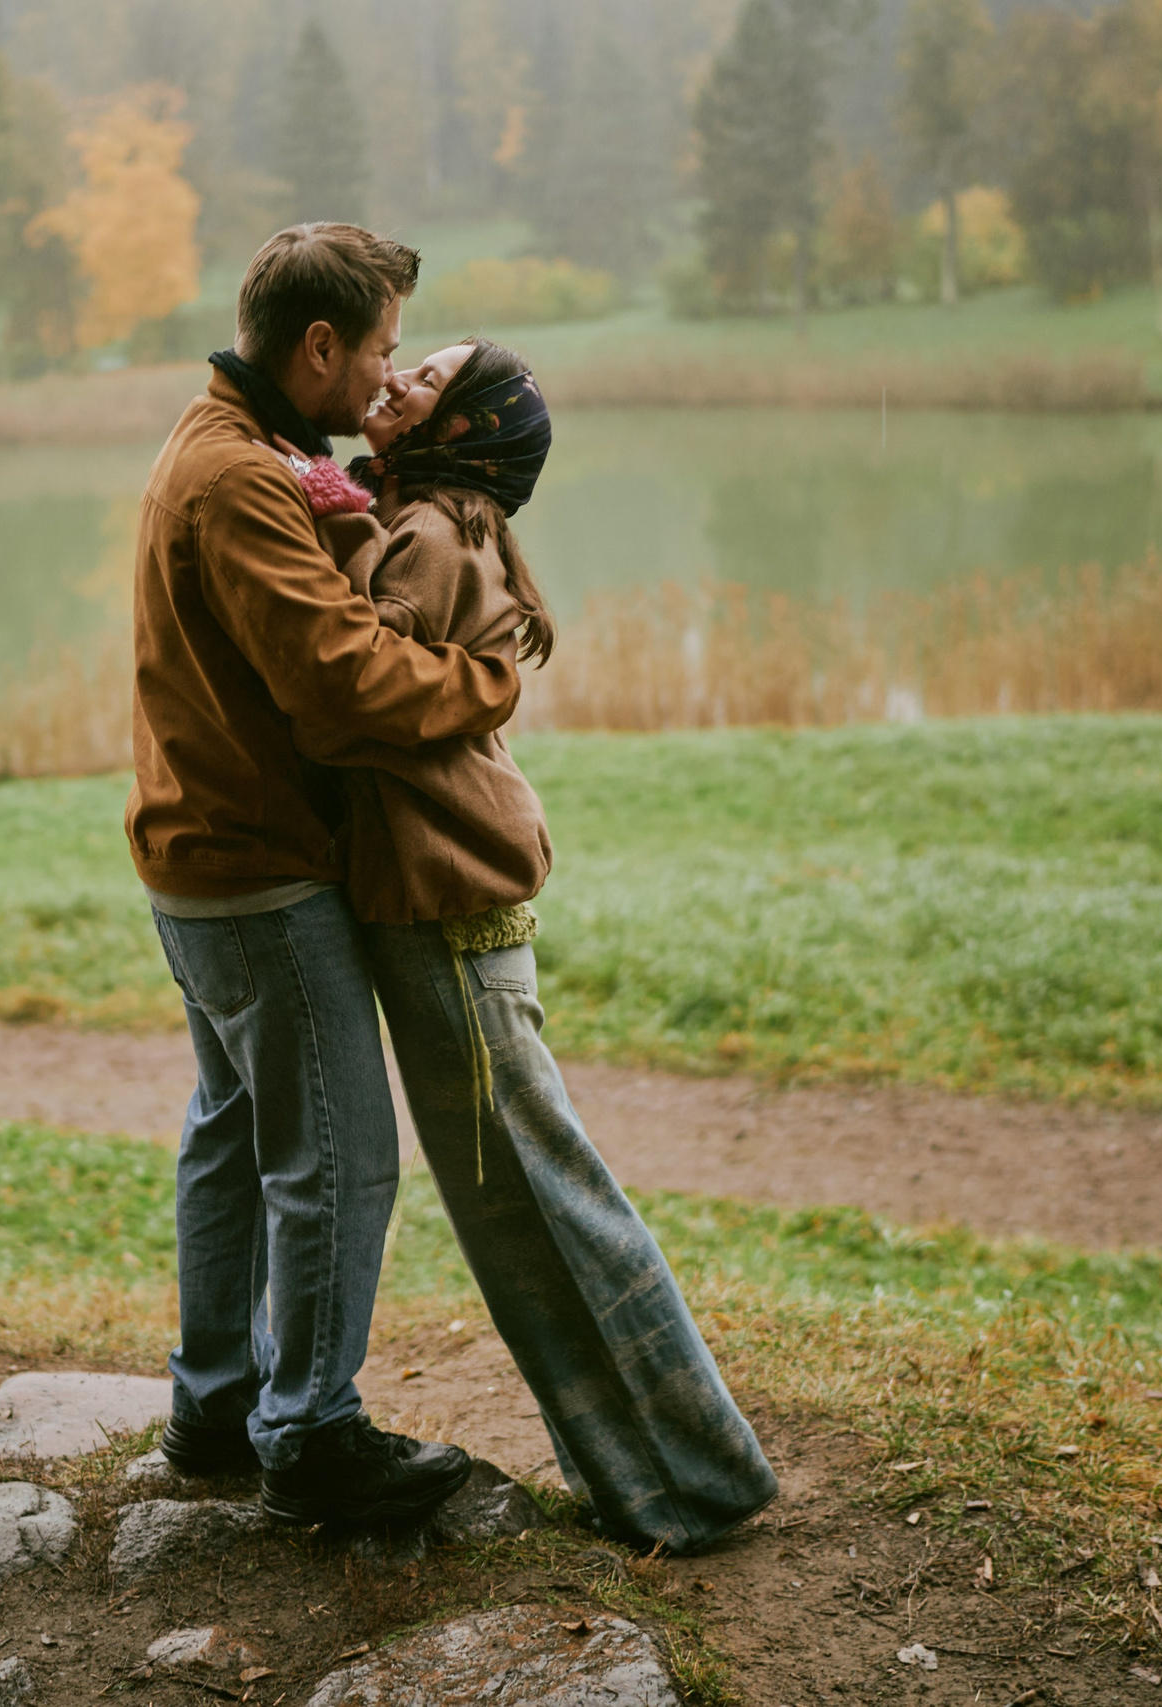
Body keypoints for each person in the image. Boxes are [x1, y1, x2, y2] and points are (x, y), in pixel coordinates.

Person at [279, 337, 781, 1555]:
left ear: (458, 430)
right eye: (404, 364)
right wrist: (347, 512)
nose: (393, 381)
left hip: (450, 909)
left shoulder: (431, 534)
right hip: (440, 905)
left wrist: (333, 526)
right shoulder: (429, 519)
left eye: (424, 380)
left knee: (545, 1203)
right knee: (520, 1211)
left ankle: (697, 1480)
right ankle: (652, 1483)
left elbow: (351, 694)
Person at [128, 224, 517, 1530]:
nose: (389, 374)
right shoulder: (238, 479)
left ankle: (214, 1406)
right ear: (316, 346)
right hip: (259, 872)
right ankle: (307, 1433)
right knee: (340, 1156)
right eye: (382, 349)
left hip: (202, 856)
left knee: (235, 1135)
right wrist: (481, 682)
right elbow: (341, 681)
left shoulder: (232, 444)